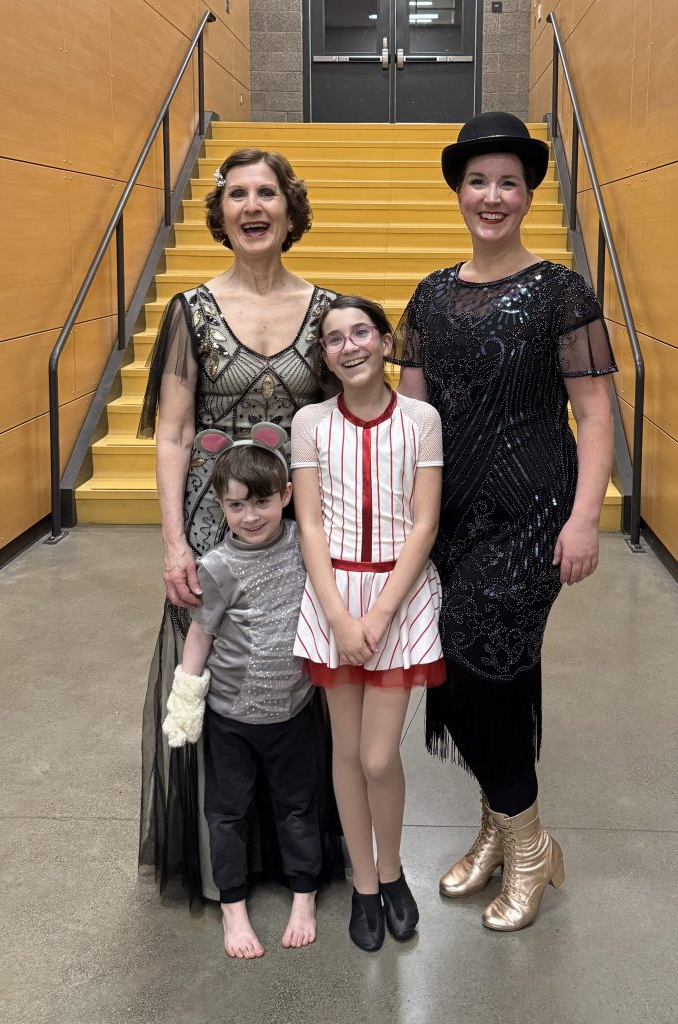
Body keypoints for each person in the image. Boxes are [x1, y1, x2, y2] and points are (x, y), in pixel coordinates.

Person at [392, 112, 617, 932]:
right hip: (449, 514)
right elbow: (411, 420)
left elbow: (594, 415)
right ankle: (496, 828)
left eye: (508, 183)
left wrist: (585, 519)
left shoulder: (559, 291)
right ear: (459, 191)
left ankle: (528, 846)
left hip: (532, 511)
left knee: (475, 662)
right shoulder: (430, 295)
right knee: (492, 674)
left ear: (527, 195)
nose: (492, 196)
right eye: (477, 181)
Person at [138, 148, 338, 901]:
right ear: (220, 213)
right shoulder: (189, 311)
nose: (252, 206)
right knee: (214, 670)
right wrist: (173, 541)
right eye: (237, 195)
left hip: (290, 524)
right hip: (210, 521)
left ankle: (295, 853)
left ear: (289, 209)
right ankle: (221, 854)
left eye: (267, 193)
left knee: (292, 672)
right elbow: (173, 433)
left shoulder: (327, 312)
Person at [291, 295, 445, 952]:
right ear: (323, 355)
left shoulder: (421, 419)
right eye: (333, 338)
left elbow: (424, 523)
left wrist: (379, 614)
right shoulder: (308, 422)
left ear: (385, 342)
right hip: (332, 597)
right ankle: (362, 883)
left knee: (380, 757)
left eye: (362, 332)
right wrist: (337, 615)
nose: (349, 345)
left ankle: (392, 872)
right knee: (346, 754)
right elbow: (310, 524)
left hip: (399, 597)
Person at [161, 427, 321, 958]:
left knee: (298, 806)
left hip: (294, 709)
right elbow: (200, 636)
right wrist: (186, 700)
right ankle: (233, 908)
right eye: (236, 505)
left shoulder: (304, 543)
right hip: (230, 717)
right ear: (221, 506)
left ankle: (304, 895)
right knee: (227, 813)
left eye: (262, 502)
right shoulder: (217, 566)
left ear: (286, 496)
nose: (250, 516)